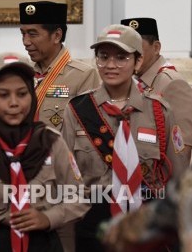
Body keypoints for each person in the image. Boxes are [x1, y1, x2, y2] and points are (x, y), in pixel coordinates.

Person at [61, 24, 189, 252]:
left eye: (121, 57)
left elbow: (176, 181)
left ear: (137, 61)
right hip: (92, 228)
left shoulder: (159, 111)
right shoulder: (78, 110)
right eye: (103, 56)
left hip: (147, 229)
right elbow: (65, 182)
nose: (111, 65)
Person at [0, 52, 90, 252]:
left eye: (22, 94)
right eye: (3, 94)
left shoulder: (50, 141)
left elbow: (79, 197)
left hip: (43, 243)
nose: (14, 103)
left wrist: (49, 218)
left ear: (31, 96)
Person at [19, 1, 100, 131]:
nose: (25, 42)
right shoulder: (22, 74)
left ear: (57, 35)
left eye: (33, 34)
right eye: (23, 34)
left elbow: (87, 132)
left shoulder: (83, 76)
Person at [121, 17, 192, 161]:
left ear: (156, 47)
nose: (131, 55)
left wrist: (171, 183)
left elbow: (181, 148)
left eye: (137, 48)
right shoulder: (130, 80)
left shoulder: (172, 84)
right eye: (125, 49)